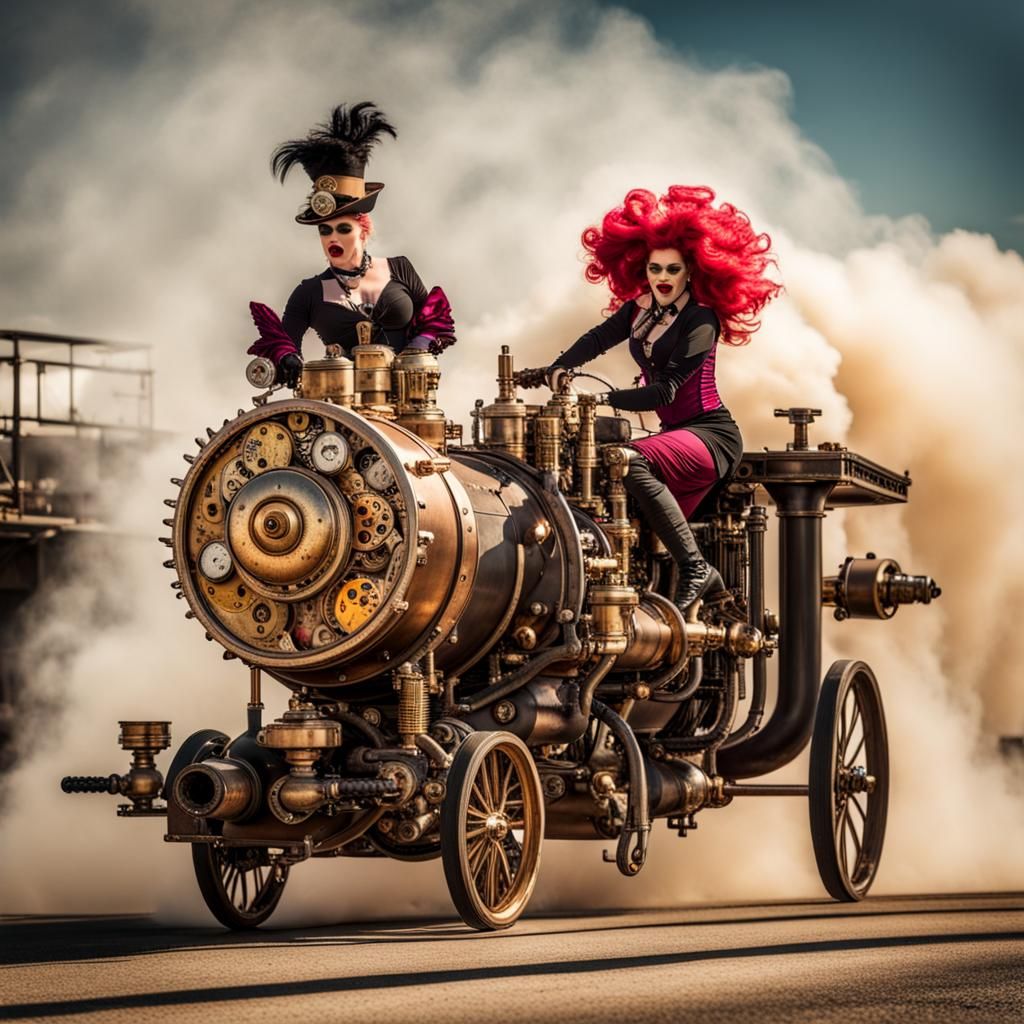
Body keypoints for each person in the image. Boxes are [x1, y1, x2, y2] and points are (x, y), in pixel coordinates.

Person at [520, 185, 780, 611]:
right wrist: (559, 367)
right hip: (673, 433)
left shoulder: (701, 319)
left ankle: (698, 569)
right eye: (655, 268)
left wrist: (601, 401)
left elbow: (667, 390)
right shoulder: (642, 308)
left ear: (692, 272)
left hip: (710, 435)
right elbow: (599, 338)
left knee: (627, 459)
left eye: (672, 270)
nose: (662, 278)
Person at [248, 102, 455, 384]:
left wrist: (418, 346)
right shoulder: (308, 293)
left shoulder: (401, 268)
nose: (332, 237)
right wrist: (288, 359)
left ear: (364, 229)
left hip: (412, 401)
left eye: (343, 228)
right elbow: (284, 343)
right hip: (341, 407)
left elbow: (433, 320)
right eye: (324, 230)